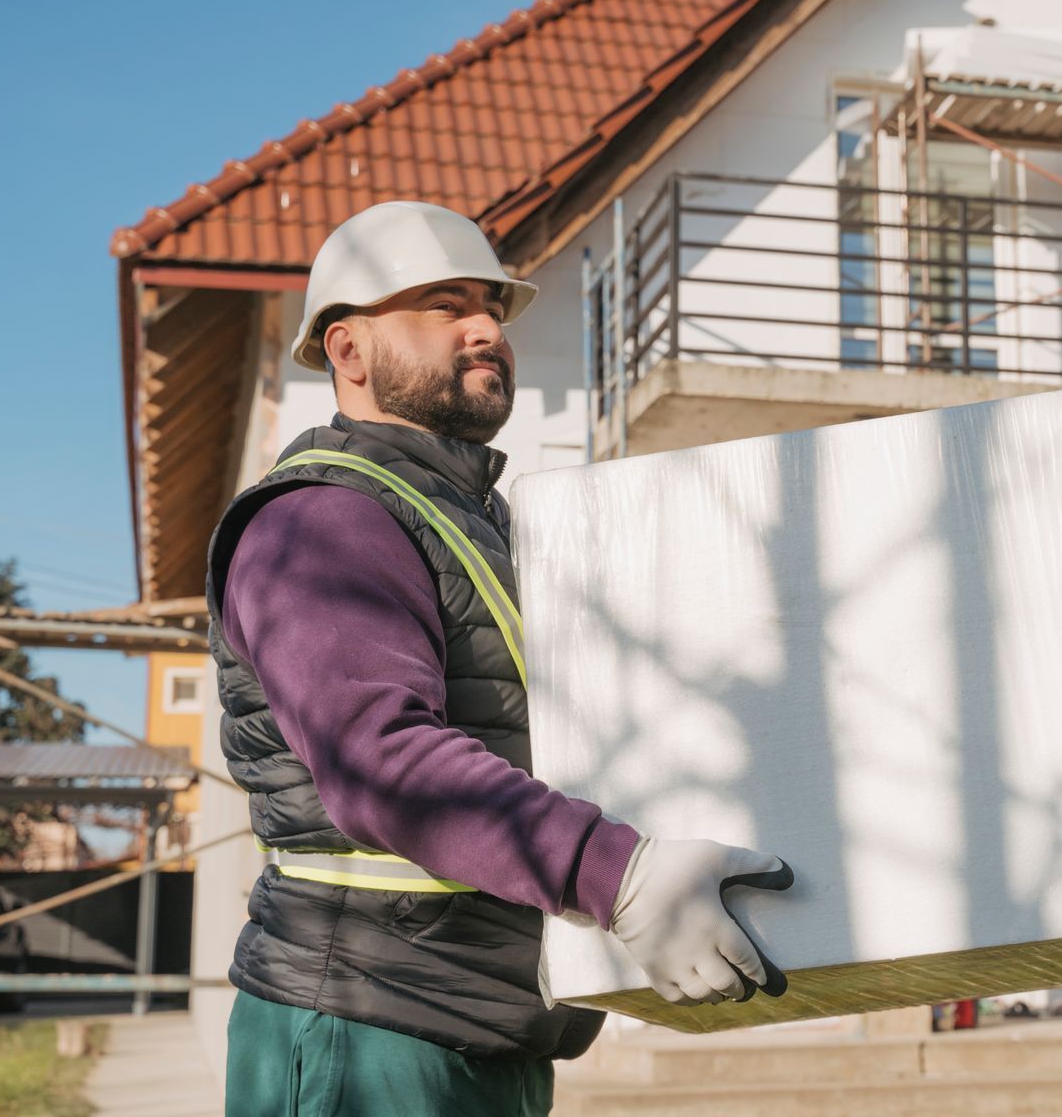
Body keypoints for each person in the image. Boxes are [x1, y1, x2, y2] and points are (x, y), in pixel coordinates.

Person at [205, 200, 793, 1116]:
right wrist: (621, 875)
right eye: (445, 306)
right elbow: (380, 765)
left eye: (491, 308)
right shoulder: (319, 523)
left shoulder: (476, 523)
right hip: (368, 1029)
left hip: (483, 1026)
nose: (486, 329)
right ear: (347, 350)